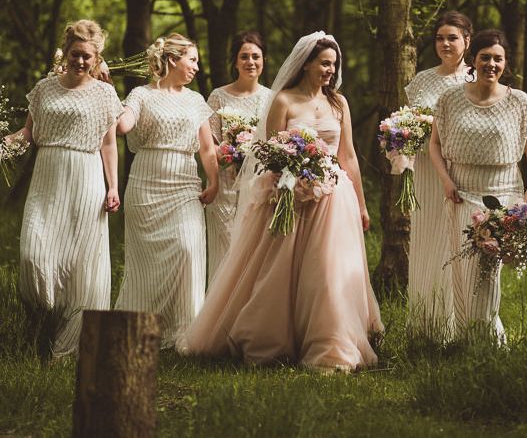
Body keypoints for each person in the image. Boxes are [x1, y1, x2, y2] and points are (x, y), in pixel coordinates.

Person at [179, 31, 382, 371]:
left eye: (333, 64)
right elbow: (267, 153)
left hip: (334, 198)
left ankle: (331, 345)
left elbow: (348, 156)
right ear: (306, 65)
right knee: (281, 271)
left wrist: (361, 204)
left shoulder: (339, 103)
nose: (330, 70)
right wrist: (289, 177)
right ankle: (276, 339)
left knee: (327, 270)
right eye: (324, 63)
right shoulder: (284, 101)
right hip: (290, 193)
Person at [9, 20, 122, 358]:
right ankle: (43, 313)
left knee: (80, 263)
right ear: (67, 52)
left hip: (86, 177)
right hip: (47, 176)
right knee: (33, 253)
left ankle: (68, 340)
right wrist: (6, 143)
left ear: (97, 58)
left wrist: (113, 186)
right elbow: (28, 133)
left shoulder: (105, 94)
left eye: (87, 57)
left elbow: (109, 144)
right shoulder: (45, 88)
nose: (81, 62)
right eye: (76, 55)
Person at [430, 29, 527, 340]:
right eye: (485, 58)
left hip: (504, 192)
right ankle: (466, 335)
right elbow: (435, 146)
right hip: (461, 192)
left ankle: (488, 339)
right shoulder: (450, 99)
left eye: (498, 59)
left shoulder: (519, 101)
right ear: (473, 60)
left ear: (505, 63)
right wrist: (446, 180)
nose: (491, 64)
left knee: (488, 266)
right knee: (464, 270)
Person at [115, 33, 218, 347]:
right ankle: (139, 327)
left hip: (185, 184)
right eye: (192, 60)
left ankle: (186, 334)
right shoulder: (141, 95)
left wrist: (214, 181)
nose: (196, 67)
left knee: (188, 249)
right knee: (144, 265)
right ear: (173, 60)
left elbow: (207, 148)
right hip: (145, 185)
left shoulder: (195, 100)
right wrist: (108, 95)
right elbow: (123, 126)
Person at [404, 10, 472, 332]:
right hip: (426, 173)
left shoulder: (476, 78)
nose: (445, 44)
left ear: (467, 41)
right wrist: (403, 132)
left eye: (452, 38)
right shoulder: (421, 80)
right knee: (427, 239)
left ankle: (458, 323)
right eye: (440, 38)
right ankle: (426, 325)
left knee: (455, 241)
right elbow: (409, 120)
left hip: (460, 171)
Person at [206, 31, 271, 282]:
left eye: (256, 56)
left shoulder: (271, 98)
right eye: (244, 56)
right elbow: (209, 144)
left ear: (264, 60)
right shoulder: (218, 96)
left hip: (258, 185)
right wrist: (227, 155)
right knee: (225, 249)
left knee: (253, 253)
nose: (250, 62)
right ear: (235, 61)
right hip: (225, 184)